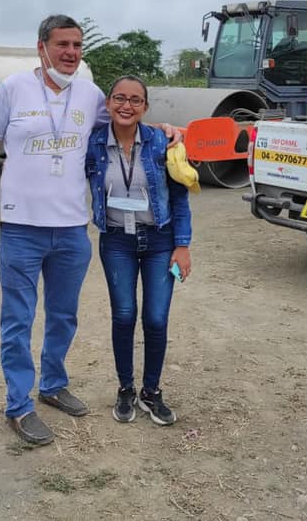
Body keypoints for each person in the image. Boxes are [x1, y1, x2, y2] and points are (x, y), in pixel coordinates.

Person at [0, 15, 180, 446]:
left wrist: (165, 131)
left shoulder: (90, 95)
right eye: (62, 44)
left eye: (76, 45)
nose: (70, 52)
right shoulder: (13, 88)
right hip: (21, 227)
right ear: (41, 47)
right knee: (18, 319)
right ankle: (19, 405)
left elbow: (127, 122)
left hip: (71, 228)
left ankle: (53, 384)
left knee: (63, 315)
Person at [85, 75, 192, 426]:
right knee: (124, 315)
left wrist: (182, 245)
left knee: (156, 318)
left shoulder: (162, 142)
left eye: (135, 100)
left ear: (145, 107)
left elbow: (180, 197)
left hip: (160, 240)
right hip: (117, 240)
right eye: (119, 98)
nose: (126, 105)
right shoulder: (94, 143)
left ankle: (151, 391)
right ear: (108, 104)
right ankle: (126, 388)